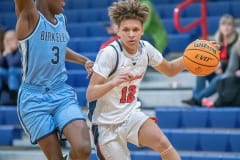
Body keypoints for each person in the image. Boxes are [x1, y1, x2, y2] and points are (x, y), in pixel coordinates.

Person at [86, 0, 199, 159]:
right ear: (117, 31)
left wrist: (193, 56)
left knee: (164, 144)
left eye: (135, 29)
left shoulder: (146, 49)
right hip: (106, 125)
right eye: (126, 30)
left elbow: (171, 70)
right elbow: (90, 94)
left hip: (131, 114)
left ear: (142, 30)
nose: (131, 34)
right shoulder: (109, 54)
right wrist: (113, 82)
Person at [14, 0, 93, 159]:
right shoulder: (29, 17)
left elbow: (57, 47)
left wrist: (84, 61)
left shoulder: (62, 20)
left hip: (60, 92)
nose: (65, 1)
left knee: (84, 148)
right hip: (34, 99)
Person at [182, 14, 239, 106]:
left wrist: (221, 65)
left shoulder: (237, 42)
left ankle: (197, 99)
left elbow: (234, 63)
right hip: (217, 71)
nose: (226, 27)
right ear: (220, 27)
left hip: (231, 75)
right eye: (224, 25)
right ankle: (199, 100)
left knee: (217, 79)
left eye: (229, 25)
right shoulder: (216, 40)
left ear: (233, 27)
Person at [3, 29, 22, 105]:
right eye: (7, 40)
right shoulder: (7, 50)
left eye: (11, 39)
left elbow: (13, 63)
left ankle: (14, 98)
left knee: (12, 70)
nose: (8, 42)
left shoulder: (21, 49)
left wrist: (8, 53)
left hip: (23, 74)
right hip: (11, 75)